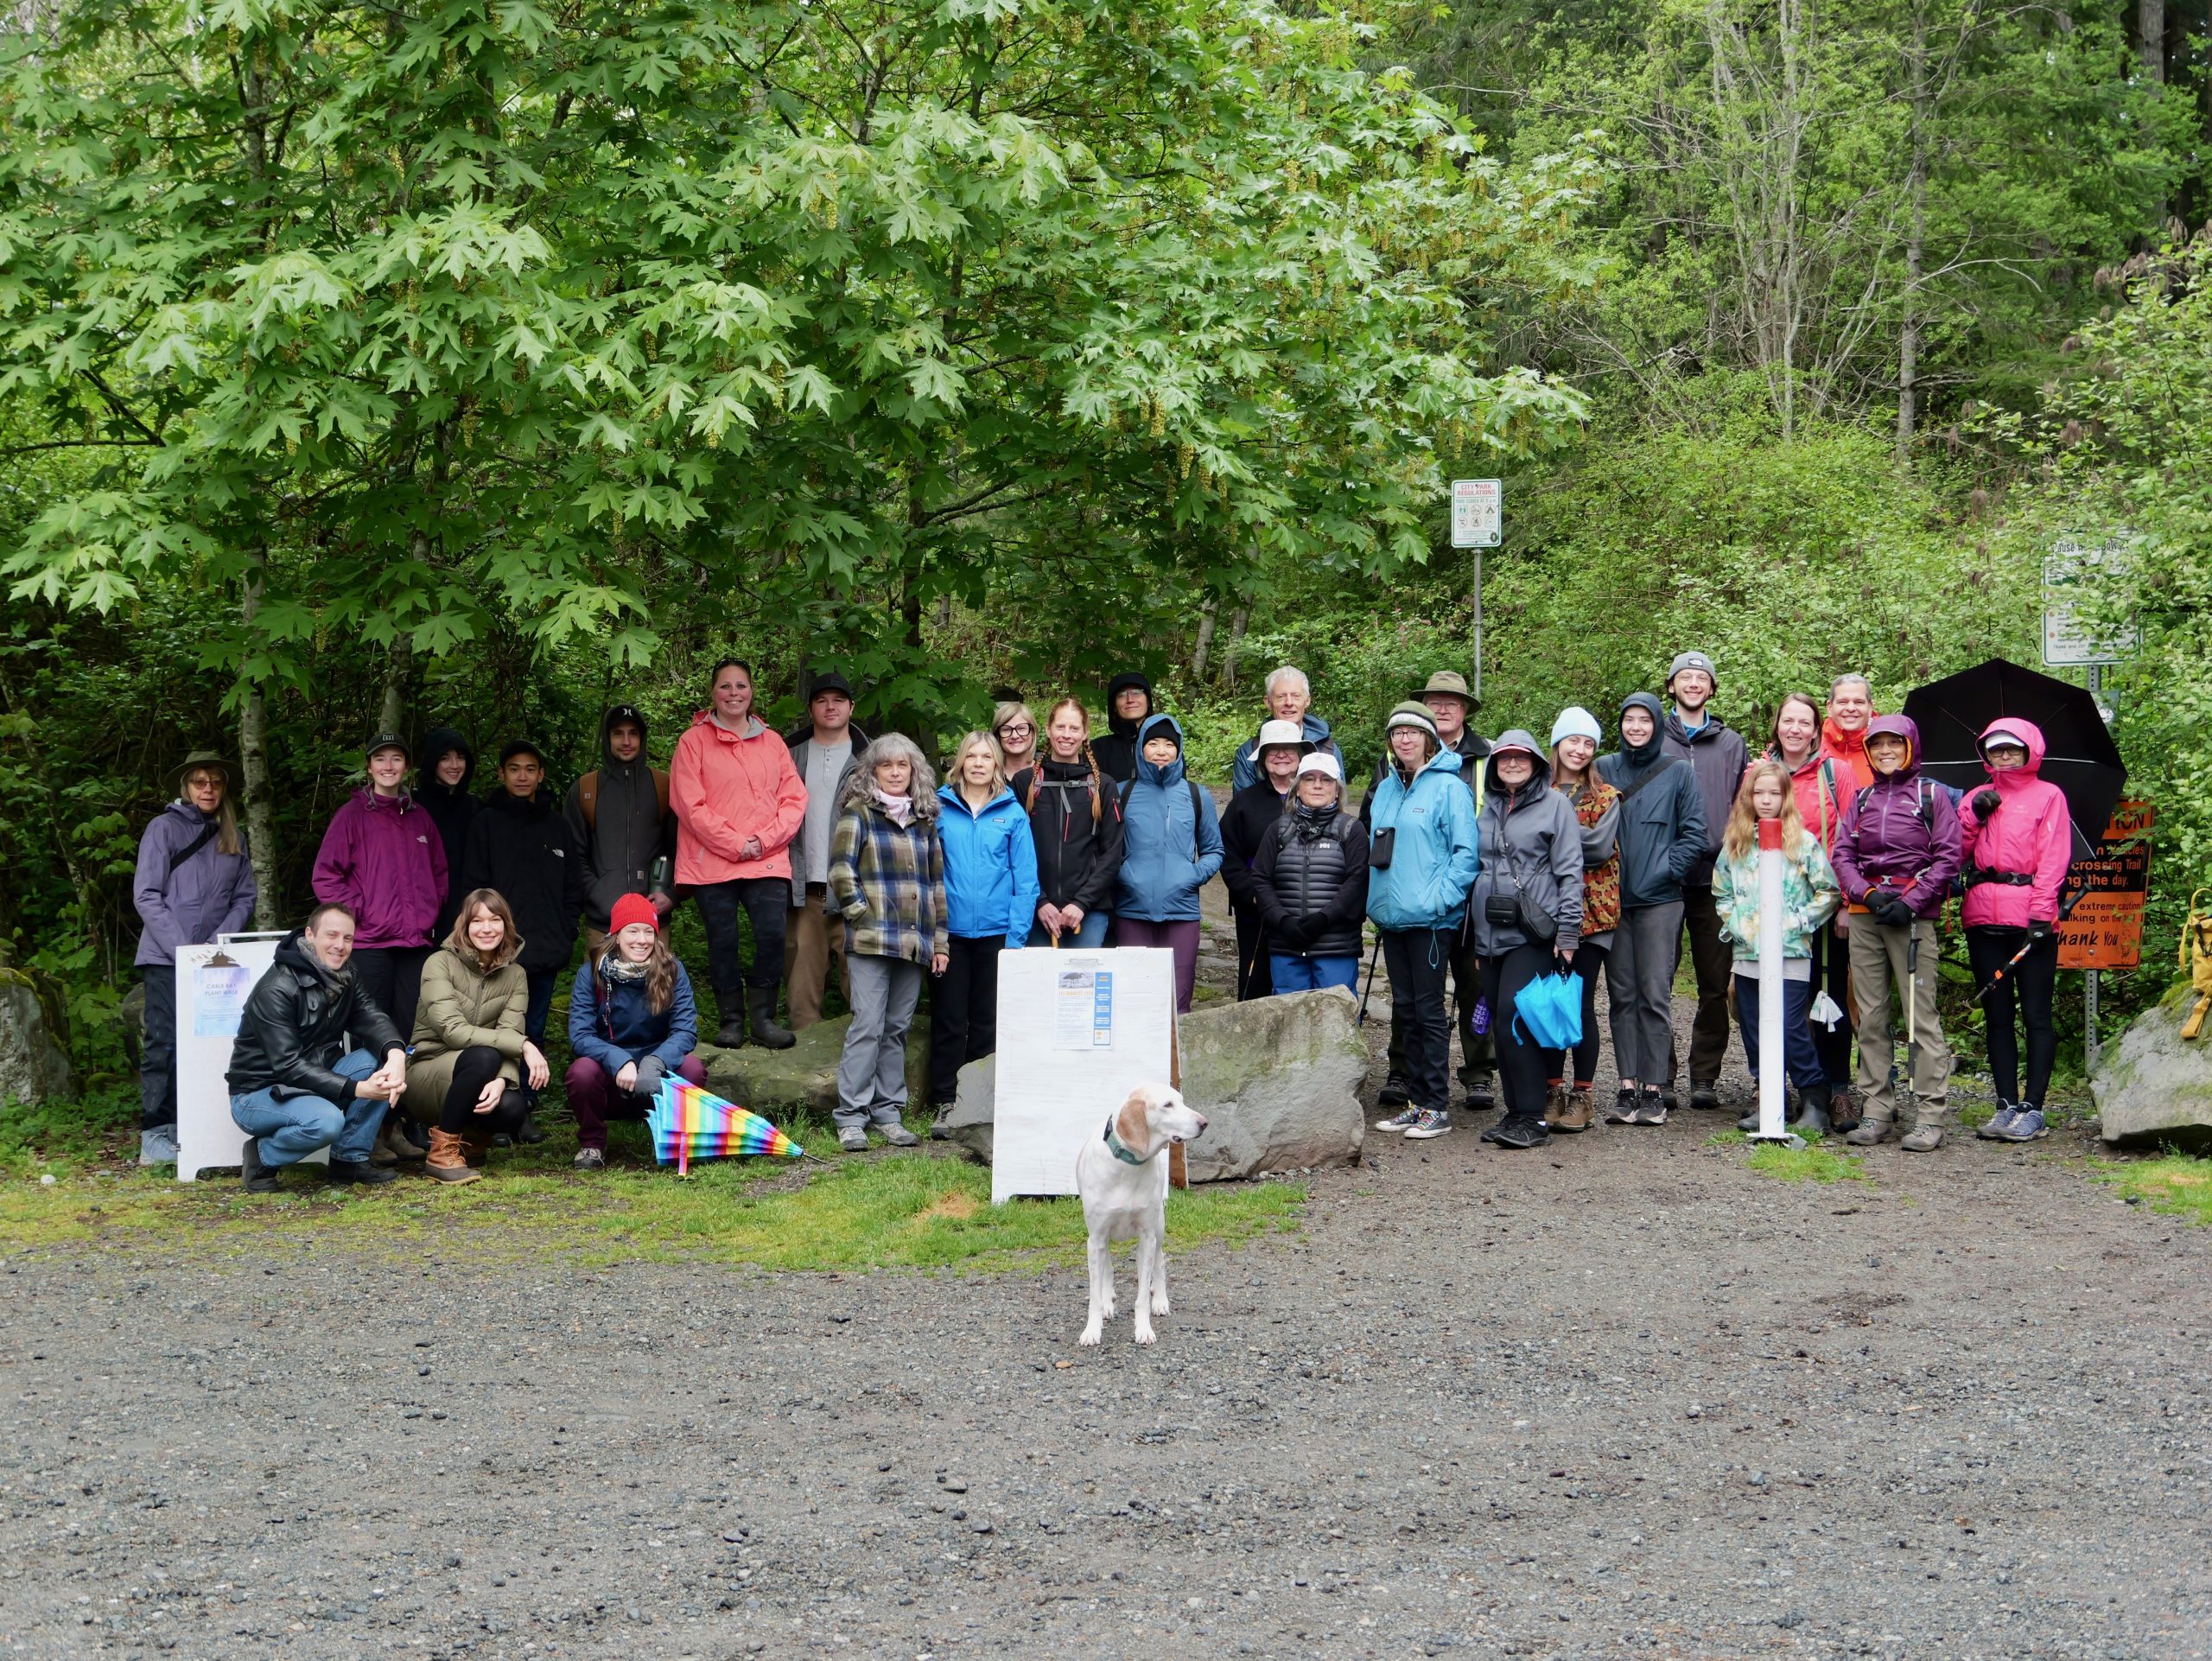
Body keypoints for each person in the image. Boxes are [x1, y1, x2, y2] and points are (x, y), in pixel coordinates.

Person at [1363, 671, 1496, 1116]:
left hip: (1433, 919)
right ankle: (1416, 1101)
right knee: (1405, 1009)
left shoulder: (1450, 786)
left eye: (1413, 732)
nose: (1405, 739)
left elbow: (1466, 854)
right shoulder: (1386, 788)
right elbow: (1377, 846)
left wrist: (1441, 900)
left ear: (1428, 740)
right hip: (1393, 917)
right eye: (1397, 732)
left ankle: (1435, 1104)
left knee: (1430, 1010)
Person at [1830, 714, 1961, 1151]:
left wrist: (1911, 902)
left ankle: (1929, 1116)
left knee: (1919, 1017)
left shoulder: (1931, 796)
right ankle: (1877, 1109)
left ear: (1910, 748)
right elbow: (1843, 852)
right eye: (1878, 744)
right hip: (1867, 915)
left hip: (1913, 917)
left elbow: (1948, 856)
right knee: (1870, 1016)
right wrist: (1866, 895)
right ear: (1869, 751)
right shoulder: (1863, 798)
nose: (1886, 751)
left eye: (1895, 743)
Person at [225, 902, 408, 1193]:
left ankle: (348, 1159)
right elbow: (288, 1066)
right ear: (309, 935)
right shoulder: (276, 989)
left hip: (314, 1080)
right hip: (260, 1092)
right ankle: (261, 1156)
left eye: (348, 938)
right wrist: (358, 1089)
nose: (340, 946)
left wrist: (396, 1056)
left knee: (382, 1063)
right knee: (327, 1122)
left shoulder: (346, 974)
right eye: (331, 935)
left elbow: (370, 1016)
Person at [671, 659, 806, 1049]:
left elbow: (794, 800)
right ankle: (731, 1021)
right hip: (712, 862)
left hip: (767, 858)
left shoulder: (773, 742)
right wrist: (735, 843)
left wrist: (761, 841)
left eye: (741, 686)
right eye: (726, 686)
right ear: (713, 692)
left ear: (751, 691)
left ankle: (764, 1020)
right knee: (723, 941)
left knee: (772, 935)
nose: (734, 693)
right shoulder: (692, 742)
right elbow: (688, 804)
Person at [132, 751, 257, 1165]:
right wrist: (183, 949)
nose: (208, 789)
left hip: (217, 964)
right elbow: (146, 895)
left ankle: (201, 1130)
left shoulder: (233, 835)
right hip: (166, 958)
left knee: (214, 1044)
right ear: (186, 787)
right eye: (200, 782)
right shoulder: (163, 828)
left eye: (215, 782)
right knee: (164, 1044)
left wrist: (219, 944)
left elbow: (245, 897)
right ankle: (156, 1133)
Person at [827, 734, 949, 1152]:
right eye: (886, 765)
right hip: (871, 940)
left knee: (897, 1029)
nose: (895, 773)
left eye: (903, 766)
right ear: (873, 771)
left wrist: (940, 944)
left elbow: (936, 886)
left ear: (914, 772)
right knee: (867, 1026)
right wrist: (862, 914)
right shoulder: (858, 813)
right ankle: (851, 1117)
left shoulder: (924, 821)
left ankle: (888, 1114)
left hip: (914, 942)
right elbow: (840, 872)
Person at [459, 740, 586, 1137]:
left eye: (530, 769)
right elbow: (473, 885)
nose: (522, 776)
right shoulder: (486, 822)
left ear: (541, 775)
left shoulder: (556, 826)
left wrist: (567, 929)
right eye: (514, 768)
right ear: (501, 773)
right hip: (496, 952)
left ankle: (524, 1109)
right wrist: (482, 939)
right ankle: (495, 1113)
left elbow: (572, 886)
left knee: (534, 1030)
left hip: (546, 950)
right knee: (496, 1031)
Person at [1465, 731, 1582, 1150]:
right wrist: (1477, 939)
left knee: (1516, 1019)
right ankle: (1515, 1112)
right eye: (1504, 758)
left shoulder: (1556, 805)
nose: (1512, 764)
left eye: (1521, 758)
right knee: (1499, 1024)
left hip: (1532, 933)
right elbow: (1480, 869)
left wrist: (1569, 932)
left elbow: (1570, 871)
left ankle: (1533, 1117)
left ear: (1536, 763)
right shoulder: (1489, 807)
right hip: (1490, 934)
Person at [1595, 692, 1707, 1127]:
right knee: (1621, 995)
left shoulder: (1679, 772)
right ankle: (1627, 1085)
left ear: (1658, 724)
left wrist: (1664, 871)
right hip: (1612, 901)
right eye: (1629, 719)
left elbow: (1696, 835)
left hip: (1660, 901)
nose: (1636, 727)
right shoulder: (1603, 768)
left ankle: (1655, 1089)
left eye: (1645, 720)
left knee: (1655, 993)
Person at [1713, 763, 1842, 1134]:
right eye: (1759, 793)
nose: (1766, 800)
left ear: (1786, 797)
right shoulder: (1735, 844)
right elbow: (1722, 892)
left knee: (1790, 1026)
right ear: (1748, 797)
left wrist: (1797, 922)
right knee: (1753, 1026)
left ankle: (1813, 1099)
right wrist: (1739, 926)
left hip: (1791, 952)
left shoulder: (1803, 842)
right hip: (1748, 953)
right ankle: (1769, 1097)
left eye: (1774, 793)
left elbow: (1828, 891)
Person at [1960, 719, 2071, 1143]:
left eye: (2012, 748)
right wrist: (1973, 817)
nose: (2004, 755)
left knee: (2037, 1014)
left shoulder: (2049, 795)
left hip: (2031, 920)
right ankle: (2005, 1104)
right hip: (1982, 917)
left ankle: (2034, 1109)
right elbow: (1955, 853)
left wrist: (2042, 914)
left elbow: (2054, 856)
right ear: (1985, 753)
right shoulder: (1976, 796)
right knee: (1997, 1015)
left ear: (2029, 751)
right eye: (1996, 748)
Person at [400, 888, 549, 1183]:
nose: (487, 928)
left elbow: (509, 1033)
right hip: (425, 1071)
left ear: (506, 925)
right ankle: (442, 1152)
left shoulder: (516, 975)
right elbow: (454, 1032)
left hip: (478, 1069)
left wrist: (502, 1080)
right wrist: (525, 1046)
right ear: (464, 926)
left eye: (495, 920)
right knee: (484, 1057)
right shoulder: (439, 963)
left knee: (513, 1107)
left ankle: (471, 1141)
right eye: (477, 921)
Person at [311, 732, 447, 1041]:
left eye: (396, 759)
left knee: (414, 1028)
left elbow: (439, 872)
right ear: (369, 766)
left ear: (406, 767)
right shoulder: (351, 816)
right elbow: (325, 876)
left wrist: (430, 910)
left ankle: (409, 1075)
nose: (388, 766)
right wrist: (359, 911)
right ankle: (371, 1076)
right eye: (380, 759)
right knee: (372, 1029)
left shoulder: (420, 817)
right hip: (370, 943)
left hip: (415, 943)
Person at [1659, 650, 1749, 1111]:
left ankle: (1705, 1076)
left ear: (1712, 688)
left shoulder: (1731, 744)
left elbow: (1744, 805)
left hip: (1716, 880)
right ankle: (1661, 1075)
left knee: (1714, 984)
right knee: (1658, 980)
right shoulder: (1654, 736)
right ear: (1671, 686)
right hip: (1663, 879)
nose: (1693, 684)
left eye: (1701, 678)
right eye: (1685, 677)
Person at [931, 732, 1039, 1110]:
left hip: (997, 933)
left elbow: (1026, 879)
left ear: (997, 764)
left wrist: (1016, 938)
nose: (978, 763)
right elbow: (927, 872)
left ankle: (977, 1101)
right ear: (960, 761)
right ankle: (945, 1099)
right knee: (948, 1018)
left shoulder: (1012, 812)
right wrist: (934, 930)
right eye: (972, 756)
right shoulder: (938, 809)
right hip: (950, 933)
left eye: (986, 757)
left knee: (987, 1020)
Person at [564, 892, 709, 1171]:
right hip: (610, 1075)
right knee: (581, 1072)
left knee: (693, 1069)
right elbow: (580, 1035)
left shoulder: (672, 971)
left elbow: (685, 1030)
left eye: (648, 932)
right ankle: (592, 1143)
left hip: (655, 1073)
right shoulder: (591, 973)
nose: (642, 940)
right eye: (632, 931)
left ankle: (674, 1139)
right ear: (617, 935)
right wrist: (619, 1061)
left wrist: (654, 1063)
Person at [1767, 692, 1859, 1130]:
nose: (1796, 729)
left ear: (1816, 729)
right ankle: (1778, 1089)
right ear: (1777, 725)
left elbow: (1852, 838)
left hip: (1824, 906)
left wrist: (1847, 904)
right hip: (1772, 908)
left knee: (1831, 998)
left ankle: (1836, 1089)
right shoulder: (1759, 773)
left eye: (1805, 722)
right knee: (1778, 999)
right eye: (1789, 721)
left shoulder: (1835, 773)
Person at [1112, 714, 1224, 1014]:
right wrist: (1126, 875)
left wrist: (1192, 875)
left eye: (1168, 744)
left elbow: (1214, 850)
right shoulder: (1122, 792)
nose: (1161, 751)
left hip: (1182, 913)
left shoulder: (1197, 795)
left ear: (1179, 749)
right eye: (1153, 743)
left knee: (1178, 1002)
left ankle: (1177, 1049)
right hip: (1132, 910)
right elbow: (1106, 849)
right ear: (1141, 748)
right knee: (1134, 1001)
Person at [1543, 709, 1620, 1132]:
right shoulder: (1537, 788)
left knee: (1581, 1001)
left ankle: (1582, 1094)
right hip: (1542, 912)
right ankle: (1552, 1089)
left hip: (1593, 914)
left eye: (1589, 743)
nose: (1580, 749)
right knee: (1550, 1000)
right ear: (1558, 743)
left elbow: (1599, 848)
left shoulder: (1606, 796)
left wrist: (1549, 838)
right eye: (1573, 740)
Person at [782, 671, 870, 1030]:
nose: (830, 707)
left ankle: (866, 1058)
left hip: (858, 890)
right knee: (801, 993)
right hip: (805, 890)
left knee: (863, 986)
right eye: (821, 700)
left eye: (838, 700)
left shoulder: (872, 758)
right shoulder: (787, 756)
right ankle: (802, 1062)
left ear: (851, 707)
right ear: (810, 709)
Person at [1252, 752, 1370, 992]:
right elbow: (1261, 879)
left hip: (1335, 947)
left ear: (1337, 790)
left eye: (1326, 780)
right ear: (1297, 788)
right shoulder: (1279, 829)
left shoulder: (1351, 829)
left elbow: (1357, 882)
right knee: (1289, 1012)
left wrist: (1323, 919)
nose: (1317, 785)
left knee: (1336, 1012)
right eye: (1309, 779)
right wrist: (1282, 920)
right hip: (1286, 944)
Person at [1011, 697, 1122, 948]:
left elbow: (1113, 853)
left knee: (1081, 975)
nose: (1066, 735)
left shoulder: (1104, 786)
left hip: (1088, 911)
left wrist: (1082, 903)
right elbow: (1013, 850)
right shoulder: (1024, 782)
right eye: (1060, 727)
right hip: (1035, 909)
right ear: (1048, 729)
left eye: (1074, 728)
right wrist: (1040, 901)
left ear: (1085, 733)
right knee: (1039, 975)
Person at [563, 704, 674, 951]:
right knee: (600, 979)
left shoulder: (663, 786)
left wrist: (671, 894)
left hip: (653, 924)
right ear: (607, 738)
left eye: (633, 733)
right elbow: (573, 855)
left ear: (642, 738)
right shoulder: (586, 789)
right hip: (602, 924)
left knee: (657, 979)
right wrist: (600, 895)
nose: (626, 741)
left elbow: (683, 849)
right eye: (618, 734)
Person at [1219, 718, 1307, 999]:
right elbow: (1227, 853)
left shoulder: (1314, 797)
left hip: (1305, 909)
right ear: (1262, 758)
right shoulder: (1244, 802)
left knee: (1300, 982)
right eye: (1273, 750)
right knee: (1255, 979)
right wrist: (1253, 893)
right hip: (1255, 910)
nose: (1281, 755)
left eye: (1288, 749)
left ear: (1300, 756)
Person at [1230, 666, 1345, 791]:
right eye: (1281, 696)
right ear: (1268, 702)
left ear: (1307, 700)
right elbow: (1243, 801)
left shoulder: (1328, 749)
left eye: (1296, 696)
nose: (1289, 703)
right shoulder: (1249, 752)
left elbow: (1339, 798)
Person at [417, 728, 480, 939]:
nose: (454, 765)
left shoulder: (476, 807)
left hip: (467, 911)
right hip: (423, 914)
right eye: (445, 758)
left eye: (460, 758)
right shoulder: (414, 807)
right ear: (433, 761)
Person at [1091, 671, 1155, 784]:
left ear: (1148, 701)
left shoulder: (1166, 745)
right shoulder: (1098, 749)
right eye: (1121, 695)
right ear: (1114, 707)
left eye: (1137, 692)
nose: (1130, 699)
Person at [1822, 673, 1878, 793]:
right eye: (1843, 702)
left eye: (1859, 702)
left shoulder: (1886, 747)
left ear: (1870, 707)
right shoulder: (1812, 746)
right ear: (1830, 707)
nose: (1851, 708)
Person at [992, 699, 1039, 779]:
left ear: (1033, 733)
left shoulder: (1046, 773)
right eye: (1006, 729)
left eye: (1021, 728)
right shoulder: (989, 775)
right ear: (997, 736)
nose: (1014, 736)